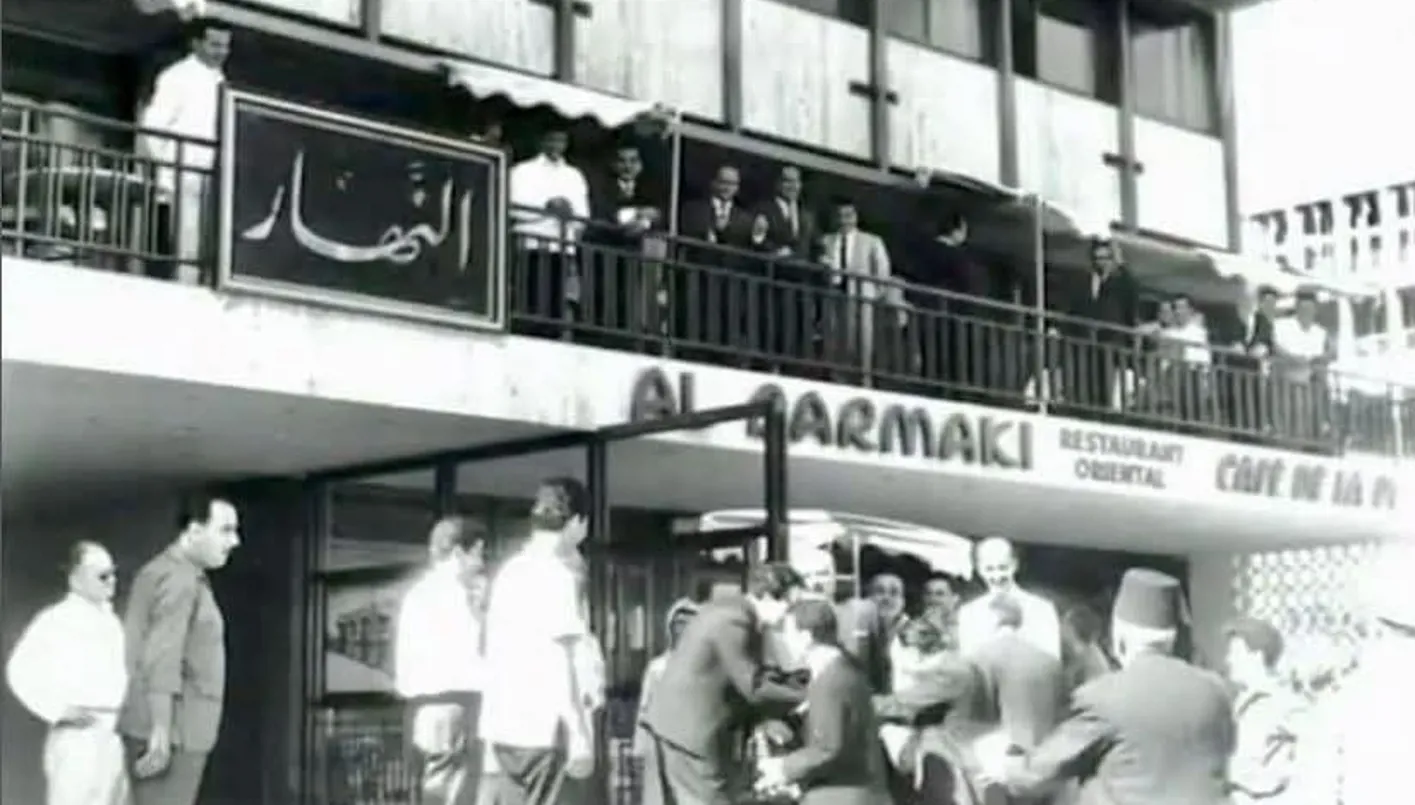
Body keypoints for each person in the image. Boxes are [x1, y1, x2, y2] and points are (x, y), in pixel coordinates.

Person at [996, 568, 1235, 805]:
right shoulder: (1215, 692)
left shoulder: (1103, 698)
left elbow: (1035, 776)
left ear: (1119, 638)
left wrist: (1003, 762)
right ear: (1171, 639)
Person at [640, 562, 808, 805]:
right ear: (768, 597)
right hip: (691, 734)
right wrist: (810, 694)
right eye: (789, 606)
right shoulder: (734, 620)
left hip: (681, 728)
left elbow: (755, 676)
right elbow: (753, 686)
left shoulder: (733, 612)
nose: (789, 615)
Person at [479, 477, 597, 805]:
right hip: (545, 726)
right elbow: (562, 659)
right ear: (577, 522)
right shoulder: (557, 576)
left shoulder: (508, 573)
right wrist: (578, 732)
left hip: (504, 725)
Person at [119, 494, 241, 805]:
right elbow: (162, 656)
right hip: (174, 733)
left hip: (169, 728)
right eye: (225, 530)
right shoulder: (179, 579)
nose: (234, 541)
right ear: (195, 531)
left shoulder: (166, 573)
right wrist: (160, 731)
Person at [6, 541, 129, 805]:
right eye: (102, 575)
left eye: (113, 573)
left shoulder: (113, 623)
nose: (111, 581)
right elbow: (19, 670)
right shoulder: (56, 620)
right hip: (79, 739)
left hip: (115, 735)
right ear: (76, 578)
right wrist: (57, 710)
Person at [758, 597, 891, 805]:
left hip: (843, 795)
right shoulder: (841, 668)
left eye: (785, 633)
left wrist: (781, 768)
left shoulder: (832, 680)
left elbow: (827, 749)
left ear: (806, 637)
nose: (781, 642)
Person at [395, 517, 490, 805]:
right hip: (455, 705)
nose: (481, 564)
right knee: (455, 792)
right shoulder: (457, 595)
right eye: (478, 553)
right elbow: (473, 653)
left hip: (420, 709)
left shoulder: (417, 594)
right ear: (460, 552)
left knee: (431, 790)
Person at [138, 19, 229, 282]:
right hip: (183, 174)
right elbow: (153, 126)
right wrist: (169, 167)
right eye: (214, 45)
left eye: (225, 46)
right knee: (185, 244)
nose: (221, 52)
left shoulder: (222, 80)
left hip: (214, 176)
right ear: (196, 44)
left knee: (211, 245)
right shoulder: (177, 76)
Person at [969, 596, 1064, 805]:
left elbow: (977, 718)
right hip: (1046, 765)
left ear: (990, 621)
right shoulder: (1050, 661)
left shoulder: (979, 658)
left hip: (1003, 769)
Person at [509, 127, 591, 332]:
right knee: (530, 297)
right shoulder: (522, 170)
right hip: (531, 243)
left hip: (562, 246)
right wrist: (547, 206)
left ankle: (551, 333)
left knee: (556, 301)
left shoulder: (574, 175)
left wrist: (569, 210)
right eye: (552, 140)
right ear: (541, 141)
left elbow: (583, 215)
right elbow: (514, 206)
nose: (556, 145)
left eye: (561, 141)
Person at [1222, 616, 1303, 805]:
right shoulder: (1243, 700)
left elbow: (1317, 749)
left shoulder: (1282, 702)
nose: (1228, 660)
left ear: (1256, 655)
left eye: (1235, 652)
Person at [958, 538, 1060, 660]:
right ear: (979, 569)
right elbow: (968, 660)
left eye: (1003, 568)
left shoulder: (1041, 609)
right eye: (989, 569)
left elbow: (1052, 659)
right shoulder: (969, 613)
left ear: (1014, 565)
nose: (997, 576)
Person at [633, 599, 700, 762]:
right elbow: (645, 709)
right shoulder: (657, 668)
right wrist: (640, 749)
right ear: (670, 628)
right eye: (679, 623)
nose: (684, 629)